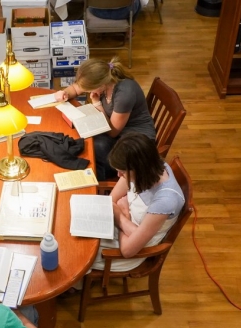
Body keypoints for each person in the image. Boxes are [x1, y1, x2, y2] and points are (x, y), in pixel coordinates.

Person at [93, 133, 185, 272]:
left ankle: (75, 285)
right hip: (128, 230)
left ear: (138, 170)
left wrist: (123, 215)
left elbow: (128, 250)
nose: (119, 176)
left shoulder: (165, 200)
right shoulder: (151, 167)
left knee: (80, 249)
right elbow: (111, 201)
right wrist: (123, 216)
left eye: (122, 172)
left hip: (133, 250)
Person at [53, 57, 156, 181]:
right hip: (117, 132)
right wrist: (65, 93)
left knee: (93, 146)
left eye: (88, 90)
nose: (86, 91)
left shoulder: (124, 94)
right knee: (83, 141)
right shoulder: (103, 81)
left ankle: (95, 180)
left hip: (135, 142)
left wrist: (97, 104)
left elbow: (113, 131)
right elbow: (75, 88)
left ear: (100, 85)